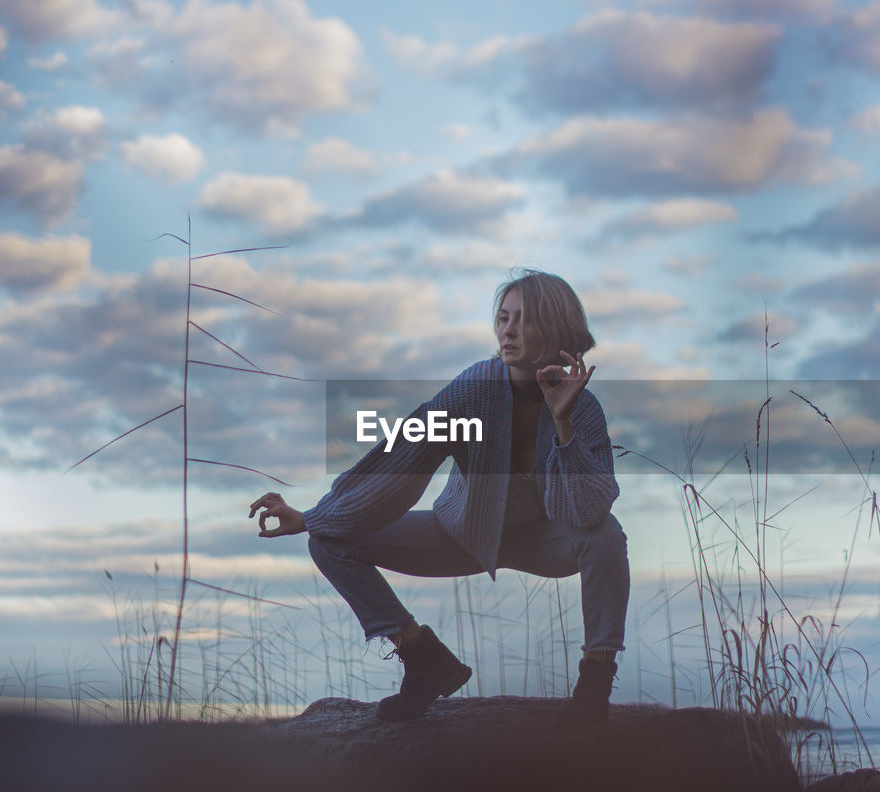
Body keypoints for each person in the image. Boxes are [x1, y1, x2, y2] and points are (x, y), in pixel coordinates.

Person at [248, 270, 629, 728]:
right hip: (462, 531)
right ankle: (422, 656)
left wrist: (563, 424)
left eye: (522, 320)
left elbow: (586, 512)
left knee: (608, 535)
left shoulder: (584, 408)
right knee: (329, 541)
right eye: (502, 318)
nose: (506, 330)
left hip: (544, 541)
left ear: (552, 328)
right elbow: (404, 451)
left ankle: (595, 683)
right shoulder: (476, 390)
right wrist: (312, 517)